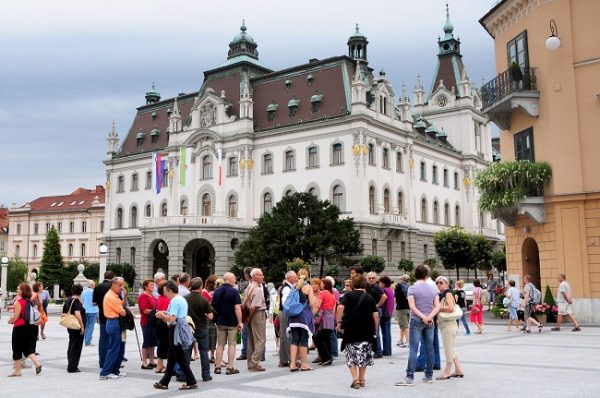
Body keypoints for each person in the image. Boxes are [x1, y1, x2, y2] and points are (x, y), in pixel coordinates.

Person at [396, 264, 440, 387]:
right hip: (430, 321)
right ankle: (429, 375)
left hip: (416, 320)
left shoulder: (412, 288)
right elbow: (437, 306)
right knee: (429, 347)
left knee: (413, 349)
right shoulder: (433, 288)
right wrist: (429, 317)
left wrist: (423, 317)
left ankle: (409, 377)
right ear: (427, 274)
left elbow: (412, 307)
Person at [153, 280, 197, 390]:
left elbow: (172, 318)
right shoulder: (180, 299)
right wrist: (165, 312)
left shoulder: (174, 301)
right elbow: (176, 315)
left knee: (179, 357)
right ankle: (164, 382)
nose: (164, 294)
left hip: (175, 329)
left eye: (165, 292)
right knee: (172, 356)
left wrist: (161, 315)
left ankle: (191, 381)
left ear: (170, 290)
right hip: (178, 328)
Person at [336, 275, 378, 389]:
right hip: (367, 330)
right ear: (364, 284)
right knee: (363, 354)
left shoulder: (348, 295)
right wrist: (375, 330)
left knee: (351, 354)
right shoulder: (369, 297)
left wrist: (338, 322)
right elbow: (375, 315)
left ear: (352, 284)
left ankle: (355, 380)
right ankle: (362, 379)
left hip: (351, 329)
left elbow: (340, 308)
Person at [7, 283, 42, 377]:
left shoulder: (19, 302)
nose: (17, 290)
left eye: (18, 289)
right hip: (30, 327)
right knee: (27, 348)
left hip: (19, 327)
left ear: (22, 291)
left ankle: (17, 371)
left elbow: (16, 317)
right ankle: (37, 363)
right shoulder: (29, 301)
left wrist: (10, 321)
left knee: (16, 348)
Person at [211, 272, 242, 375]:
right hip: (232, 322)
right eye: (234, 279)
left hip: (220, 321)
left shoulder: (217, 291)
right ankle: (230, 367)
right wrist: (240, 322)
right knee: (232, 345)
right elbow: (237, 308)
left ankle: (218, 366)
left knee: (220, 345)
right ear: (228, 279)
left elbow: (213, 306)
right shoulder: (234, 292)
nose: (235, 280)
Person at [287, 268, 319, 371]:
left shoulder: (294, 287)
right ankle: (304, 364)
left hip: (293, 317)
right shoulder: (308, 287)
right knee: (304, 340)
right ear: (307, 276)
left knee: (294, 340)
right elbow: (312, 303)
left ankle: (292, 364)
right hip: (304, 316)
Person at [434, 276, 464, 380]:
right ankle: (459, 370)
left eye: (441, 283)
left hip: (448, 324)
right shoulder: (443, 293)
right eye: (437, 283)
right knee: (451, 348)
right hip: (446, 324)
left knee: (448, 349)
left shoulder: (447, 293)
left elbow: (451, 308)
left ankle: (447, 371)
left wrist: (437, 307)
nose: (438, 284)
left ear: (446, 284)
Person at [186, 277, 214, 382]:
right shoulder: (204, 300)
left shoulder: (185, 298)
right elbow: (211, 316)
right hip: (202, 327)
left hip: (189, 328)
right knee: (203, 352)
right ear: (201, 286)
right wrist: (205, 315)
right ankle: (206, 375)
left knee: (187, 352)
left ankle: (185, 374)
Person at [99, 277, 127, 380]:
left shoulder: (116, 295)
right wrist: (125, 311)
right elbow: (123, 312)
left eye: (122, 285)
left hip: (116, 323)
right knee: (113, 349)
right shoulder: (111, 296)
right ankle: (105, 372)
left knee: (120, 349)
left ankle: (115, 370)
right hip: (113, 322)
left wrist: (125, 296)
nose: (122, 287)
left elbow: (123, 306)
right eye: (120, 285)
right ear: (113, 285)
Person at [244, 268, 267, 371]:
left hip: (250, 313)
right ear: (254, 277)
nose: (262, 276)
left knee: (251, 340)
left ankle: (250, 362)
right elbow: (254, 306)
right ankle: (254, 362)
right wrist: (250, 318)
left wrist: (248, 317)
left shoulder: (249, 286)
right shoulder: (257, 289)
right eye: (260, 275)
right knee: (260, 339)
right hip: (257, 314)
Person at [93, 270, 116, 368]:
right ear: (113, 277)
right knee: (112, 339)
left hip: (102, 315)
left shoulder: (97, 287)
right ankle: (110, 361)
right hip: (112, 315)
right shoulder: (112, 287)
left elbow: (93, 303)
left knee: (103, 339)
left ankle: (102, 362)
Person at [63, 283, 86, 373]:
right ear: (81, 292)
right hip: (77, 326)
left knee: (72, 344)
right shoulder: (76, 301)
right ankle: (72, 367)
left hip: (71, 326)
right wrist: (82, 327)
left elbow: (64, 310)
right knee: (76, 346)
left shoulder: (69, 300)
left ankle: (71, 363)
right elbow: (77, 314)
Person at [313, 277, 336, 366]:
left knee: (318, 338)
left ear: (325, 285)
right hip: (330, 317)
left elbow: (318, 306)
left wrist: (312, 315)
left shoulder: (322, 293)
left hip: (324, 318)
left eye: (322, 283)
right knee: (326, 338)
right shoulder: (332, 294)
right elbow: (334, 308)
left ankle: (327, 357)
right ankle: (325, 357)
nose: (320, 284)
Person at [278, 270, 298, 367]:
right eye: (295, 277)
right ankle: (291, 359)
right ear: (289, 278)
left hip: (284, 313)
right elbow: (286, 303)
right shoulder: (286, 289)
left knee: (284, 337)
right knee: (287, 336)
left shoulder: (289, 287)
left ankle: (283, 360)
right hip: (286, 313)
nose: (296, 278)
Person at [138, 279, 158, 369]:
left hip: (153, 321)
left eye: (153, 285)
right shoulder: (143, 296)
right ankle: (144, 362)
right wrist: (156, 311)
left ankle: (152, 361)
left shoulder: (152, 295)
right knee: (147, 342)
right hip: (146, 322)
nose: (153, 286)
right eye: (151, 285)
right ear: (146, 286)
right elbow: (145, 310)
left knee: (152, 342)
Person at [366, 272, 386, 358]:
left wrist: (377, 305)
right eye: (369, 278)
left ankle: (378, 351)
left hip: (376, 311)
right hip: (372, 310)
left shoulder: (376, 287)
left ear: (376, 279)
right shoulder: (370, 287)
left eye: (373, 278)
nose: (371, 279)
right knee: (373, 331)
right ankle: (375, 350)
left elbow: (384, 296)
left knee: (375, 331)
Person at [201, 274, 217, 363]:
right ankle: (207, 355)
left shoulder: (208, 292)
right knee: (208, 336)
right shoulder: (204, 292)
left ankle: (212, 355)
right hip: (206, 318)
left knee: (213, 336)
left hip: (210, 318)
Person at [155, 280, 170, 373]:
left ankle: (159, 365)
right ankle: (161, 366)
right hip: (165, 323)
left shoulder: (160, 297)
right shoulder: (166, 299)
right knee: (166, 344)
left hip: (160, 323)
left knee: (161, 344)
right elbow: (166, 312)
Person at [237, 267, 252, 361]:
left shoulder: (252, 285)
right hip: (250, 311)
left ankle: (245, 352)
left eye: (245, 274)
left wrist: (243, 304)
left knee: (246, 333)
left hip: (250, 311)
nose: (244, 276)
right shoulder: (258, 285)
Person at [378, 275, 394, 356]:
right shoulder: (391, 290)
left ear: (383, 284)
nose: (379, 284)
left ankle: (386, 350)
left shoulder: (383, 290)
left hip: (384, 312)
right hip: (389, 312)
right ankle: (388, 350)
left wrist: (378, 305)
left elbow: (383, 298)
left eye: (380, 282)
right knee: (387, 332)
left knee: (385, 332)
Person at [395, 274, 410, 347]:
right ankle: (401, 340)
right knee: (403, 325)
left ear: (402, 280)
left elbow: (396, 296)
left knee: (405, 325)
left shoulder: (398, 286)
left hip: (401, 308)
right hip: (408, 307)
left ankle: (408, 341)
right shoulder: (409, 287)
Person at [81, 280, 98, 346]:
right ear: (92, 285)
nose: (95, 286)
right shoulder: (94, 292)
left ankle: (86, 340)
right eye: (94, 284)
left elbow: (82, 302)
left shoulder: (83, 292)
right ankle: (88, 342)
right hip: (93, 311)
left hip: (85, 311)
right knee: (91, 326)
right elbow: (94, 303)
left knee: (87, 326)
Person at [31, 283, 45, 354]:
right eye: (42, 286)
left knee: (35, 334)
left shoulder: (37, 294)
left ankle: (33, 350)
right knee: (33, 334)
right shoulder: (35, 294)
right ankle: (31, 351)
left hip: (36, 318)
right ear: (39, 287)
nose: (43, 288)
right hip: (33, 318)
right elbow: (30, 302)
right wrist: (34, 307)